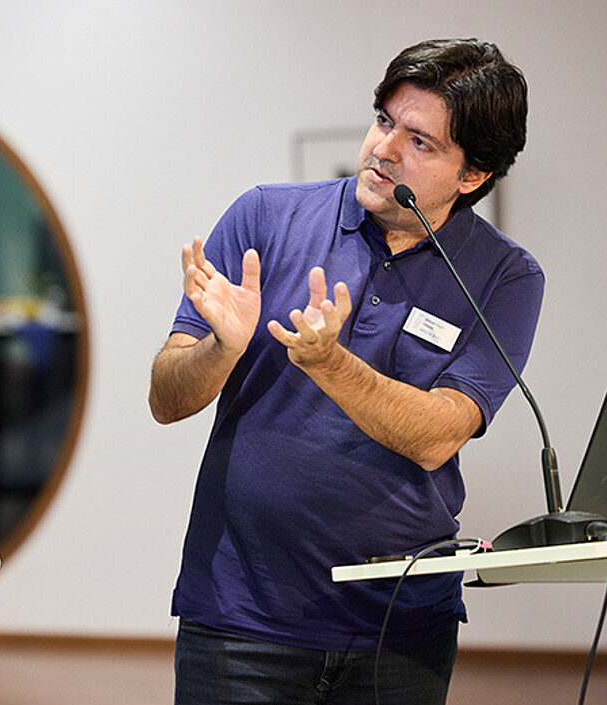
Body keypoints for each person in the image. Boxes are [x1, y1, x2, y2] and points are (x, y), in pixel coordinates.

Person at [149, 38, 542, 705]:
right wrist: (222, 348)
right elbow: (165, 396)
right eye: (385, 121)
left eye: (420, 142)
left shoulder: (506, 276)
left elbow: (439, 434)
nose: (383, 149)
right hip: (242, 618)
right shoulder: (265, 217)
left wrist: (330, 363)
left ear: (472, 175)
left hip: (402, 627)